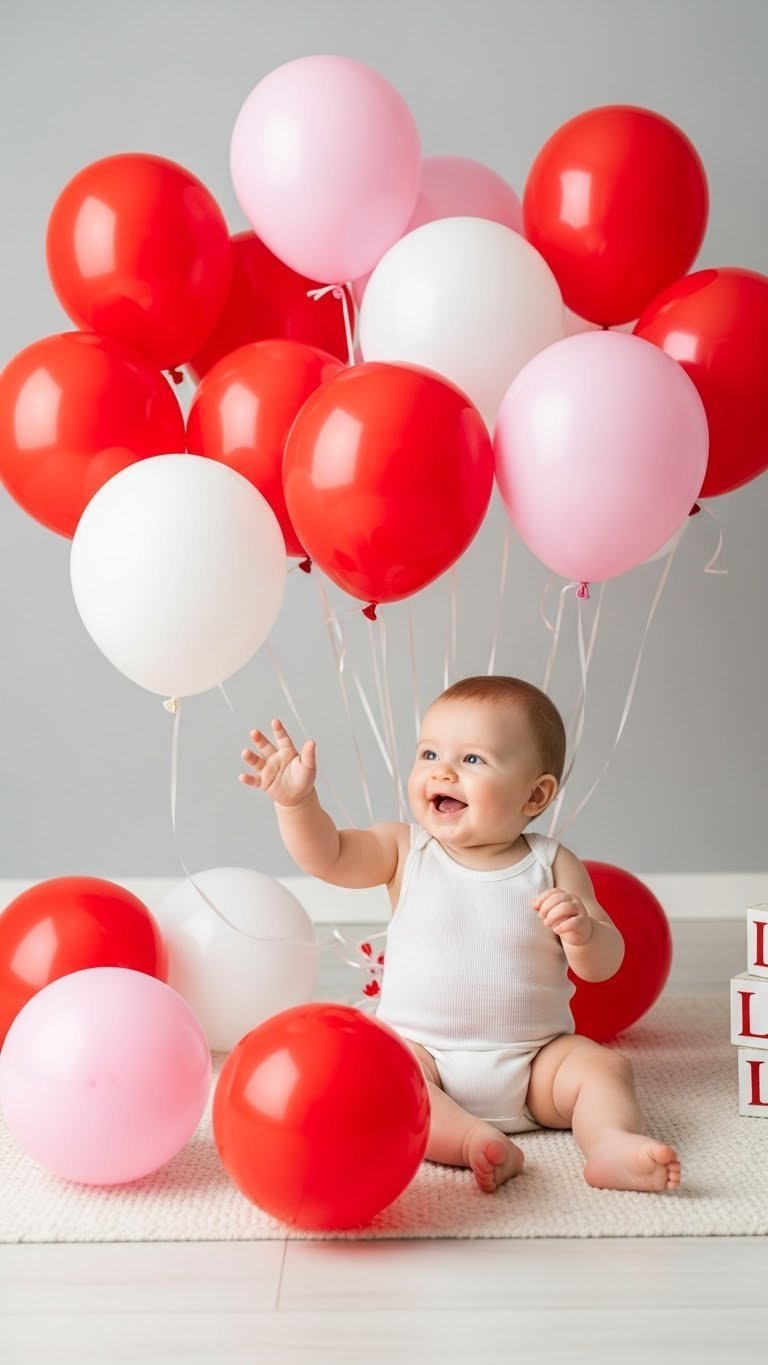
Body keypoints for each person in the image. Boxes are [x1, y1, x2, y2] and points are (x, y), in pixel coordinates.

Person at [240, 674, 681, 1196]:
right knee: (385, 1084)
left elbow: (602, 965)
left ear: (535, 795)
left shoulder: (552, 863)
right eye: (428, 754)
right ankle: (472, 1141)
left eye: (472, 760)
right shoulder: (405, 849)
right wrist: (296, 804)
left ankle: (610, 1142)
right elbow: (329, 855)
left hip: (536, 1061)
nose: (442, 770)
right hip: (422, 1055)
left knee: (603, 1068)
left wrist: (583, 931)